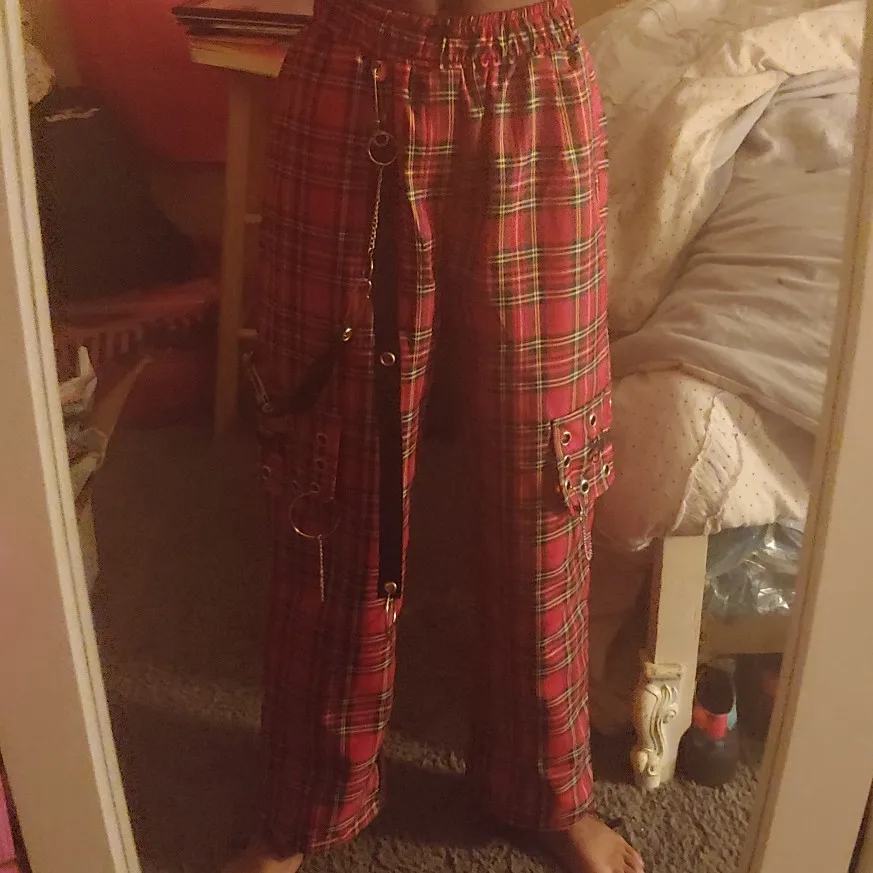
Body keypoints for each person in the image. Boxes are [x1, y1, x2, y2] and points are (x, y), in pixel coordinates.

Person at [227, 0, 643, 871]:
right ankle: (306, 797)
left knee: (549, 457)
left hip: (535, 74)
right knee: (330, 452)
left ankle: (547, 785)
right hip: (357, 62)